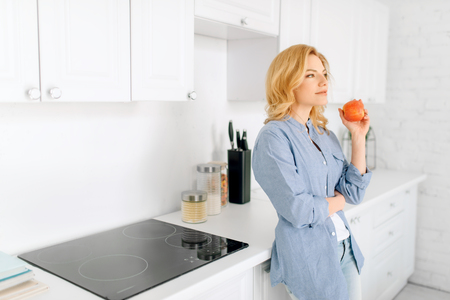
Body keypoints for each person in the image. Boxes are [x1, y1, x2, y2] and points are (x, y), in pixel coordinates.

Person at [252, 44, 372, 300]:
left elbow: (354, 191)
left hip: (346, 248)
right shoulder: (273, 137)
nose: (323, 80)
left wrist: (358, 137)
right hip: (310, 258)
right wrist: (338, 201)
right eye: (310, 75)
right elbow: (299, 210)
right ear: (287, 82)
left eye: (323, 73)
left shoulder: (324, 134)